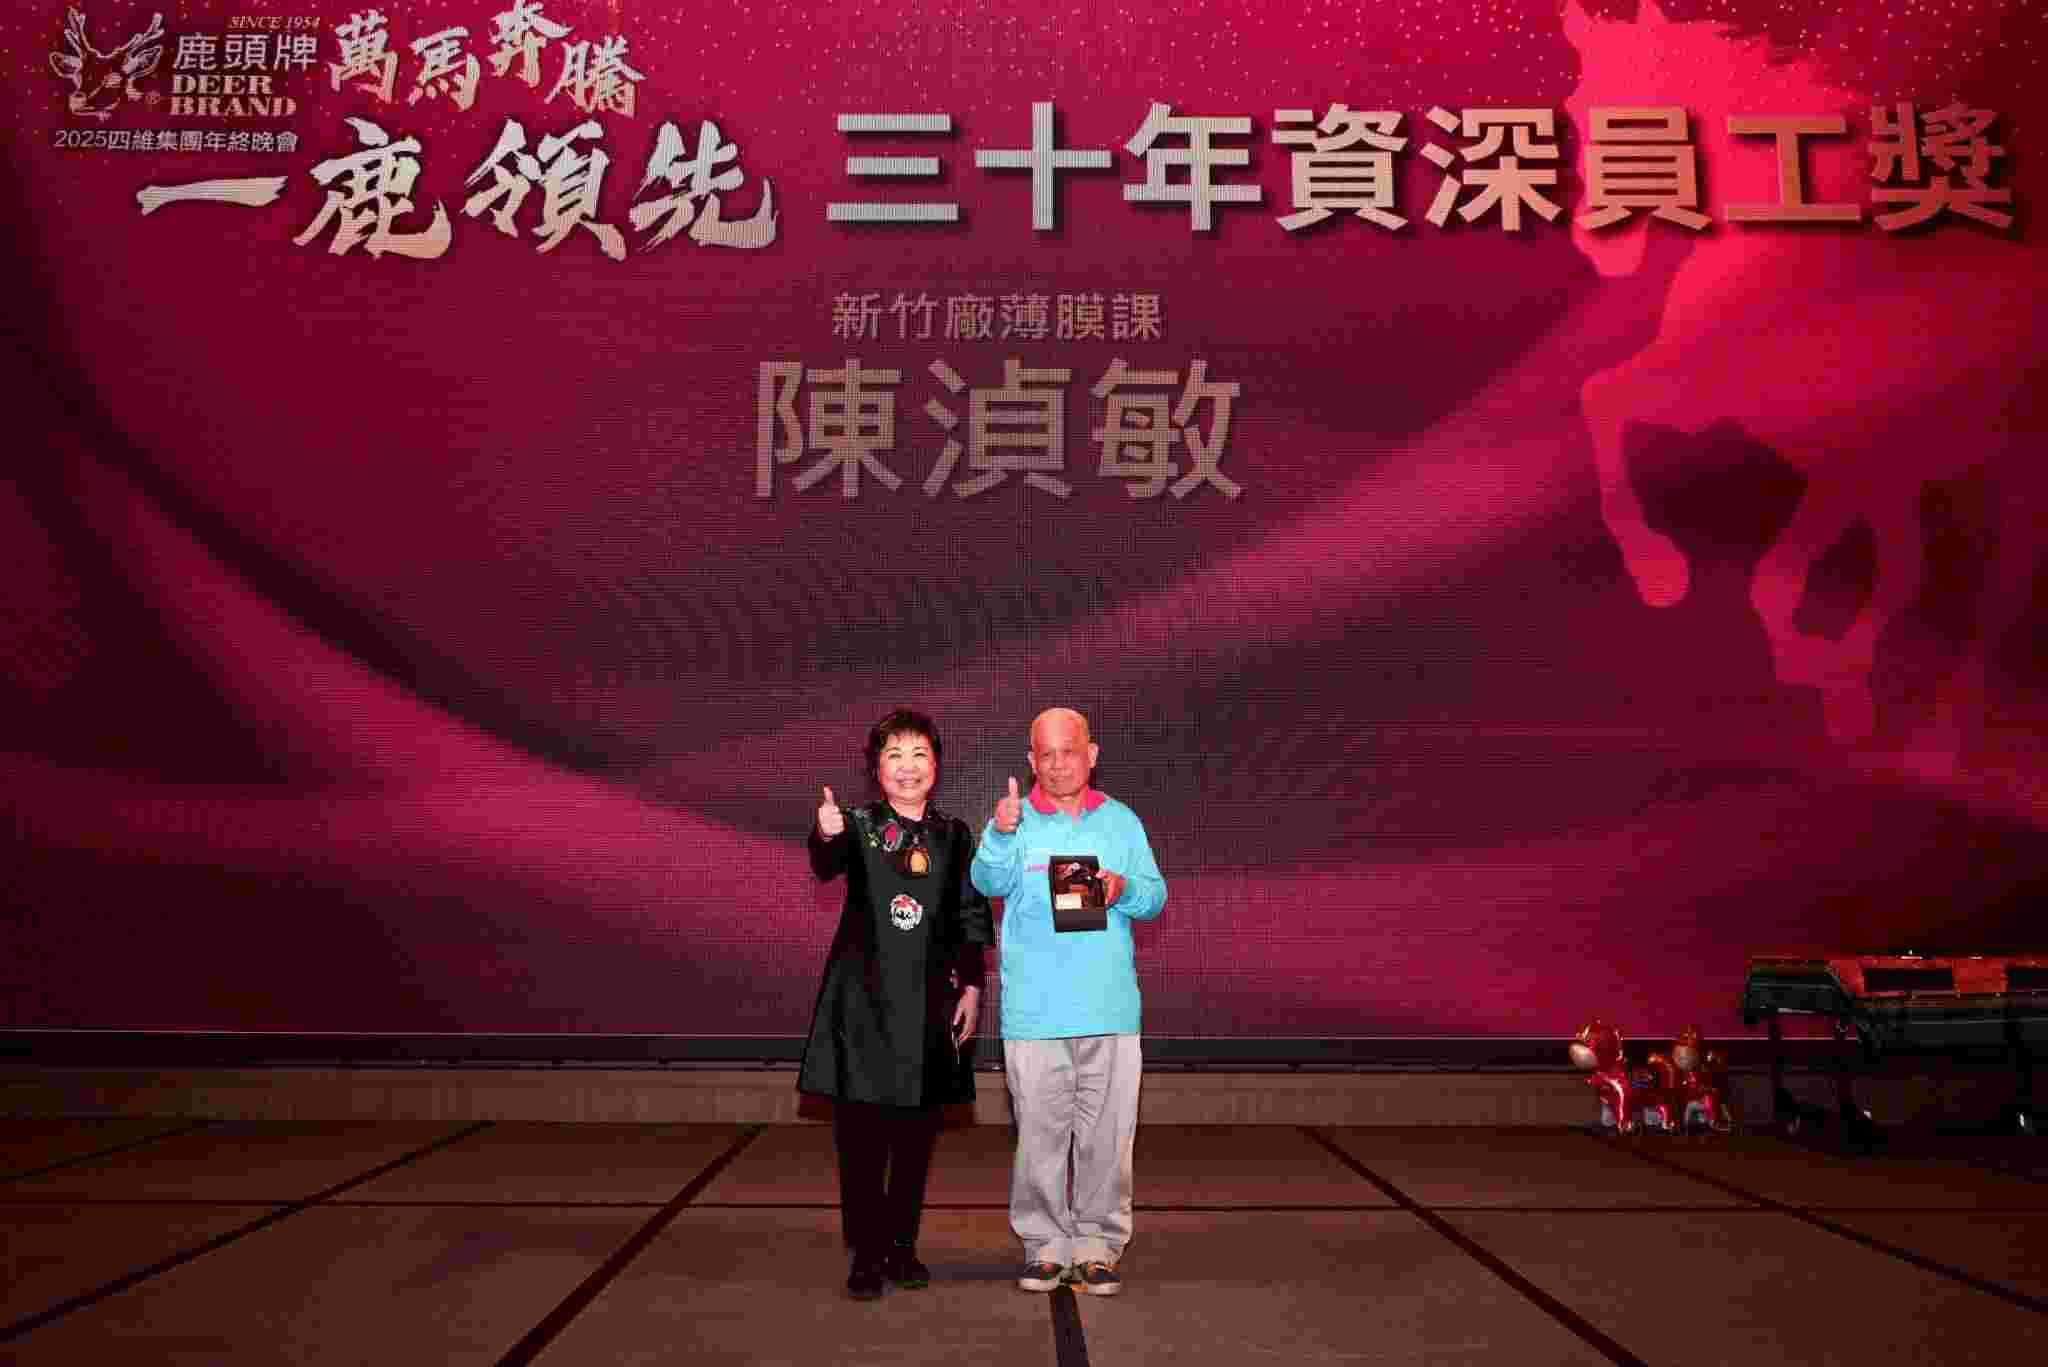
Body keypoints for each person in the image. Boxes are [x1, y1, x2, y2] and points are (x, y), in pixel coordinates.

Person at [971, 707, 1166, 1297]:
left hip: (1110, 1009)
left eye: (1069, 751)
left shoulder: (1122, 822)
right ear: (1031, 761)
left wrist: (1123, 888)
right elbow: (986, 882)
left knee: (1109, 1140)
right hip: (1035, 1014)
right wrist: (999, 832)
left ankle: (1098, 1246)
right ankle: (1045, 1246)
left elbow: (1155, 897)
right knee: (1040, 1139)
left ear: (1092, 754)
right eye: (1046, 754)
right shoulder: (1014, 820)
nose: (1058, 764)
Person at [798, 708, 992, 1301]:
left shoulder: (955, 835)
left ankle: (902, 1247)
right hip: (861, 1006)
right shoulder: (856, 825)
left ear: (937, 765)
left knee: (913, 1139)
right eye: (894, 755)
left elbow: (968, 914)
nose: (908, 767)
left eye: (919, 754)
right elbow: (826, 863)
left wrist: (973, 987)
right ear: (875, 769)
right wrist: (826, 833)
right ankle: (865, 1253)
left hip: (928, 1008)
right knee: (860, 1141)